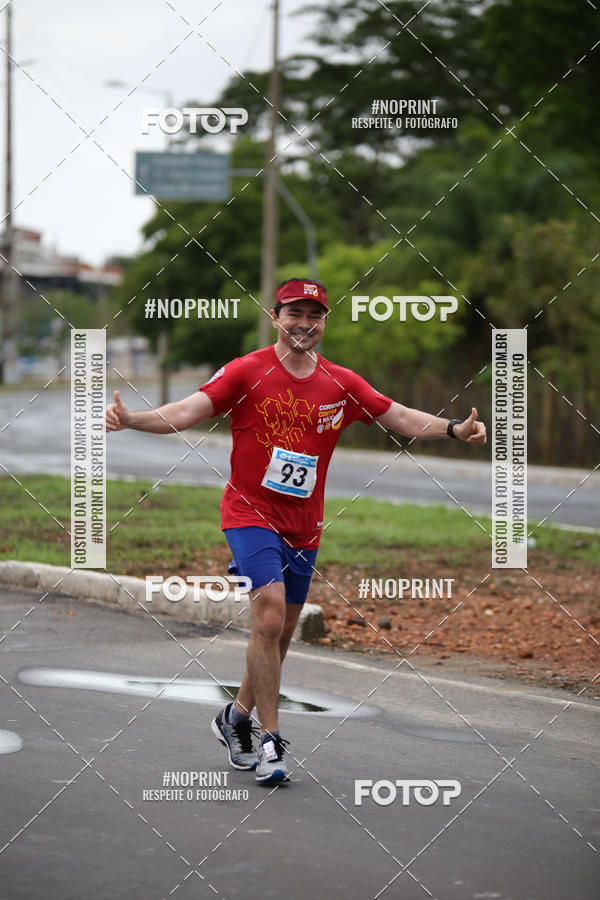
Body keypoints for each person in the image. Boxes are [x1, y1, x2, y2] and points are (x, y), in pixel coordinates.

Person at [105, 277, 486, 785]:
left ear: (324, 322)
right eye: (294, 314)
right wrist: (132, 419)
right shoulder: (247, 370)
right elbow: (187, 411)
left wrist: (455, 429)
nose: (305, 324)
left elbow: (397, 416)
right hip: (249, 514)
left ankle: (235, 717)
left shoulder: (341, 383)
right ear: (275, 317)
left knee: (281, 630)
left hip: (304, 526)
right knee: (267, 616)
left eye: (315, 315)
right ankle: (271, 742)